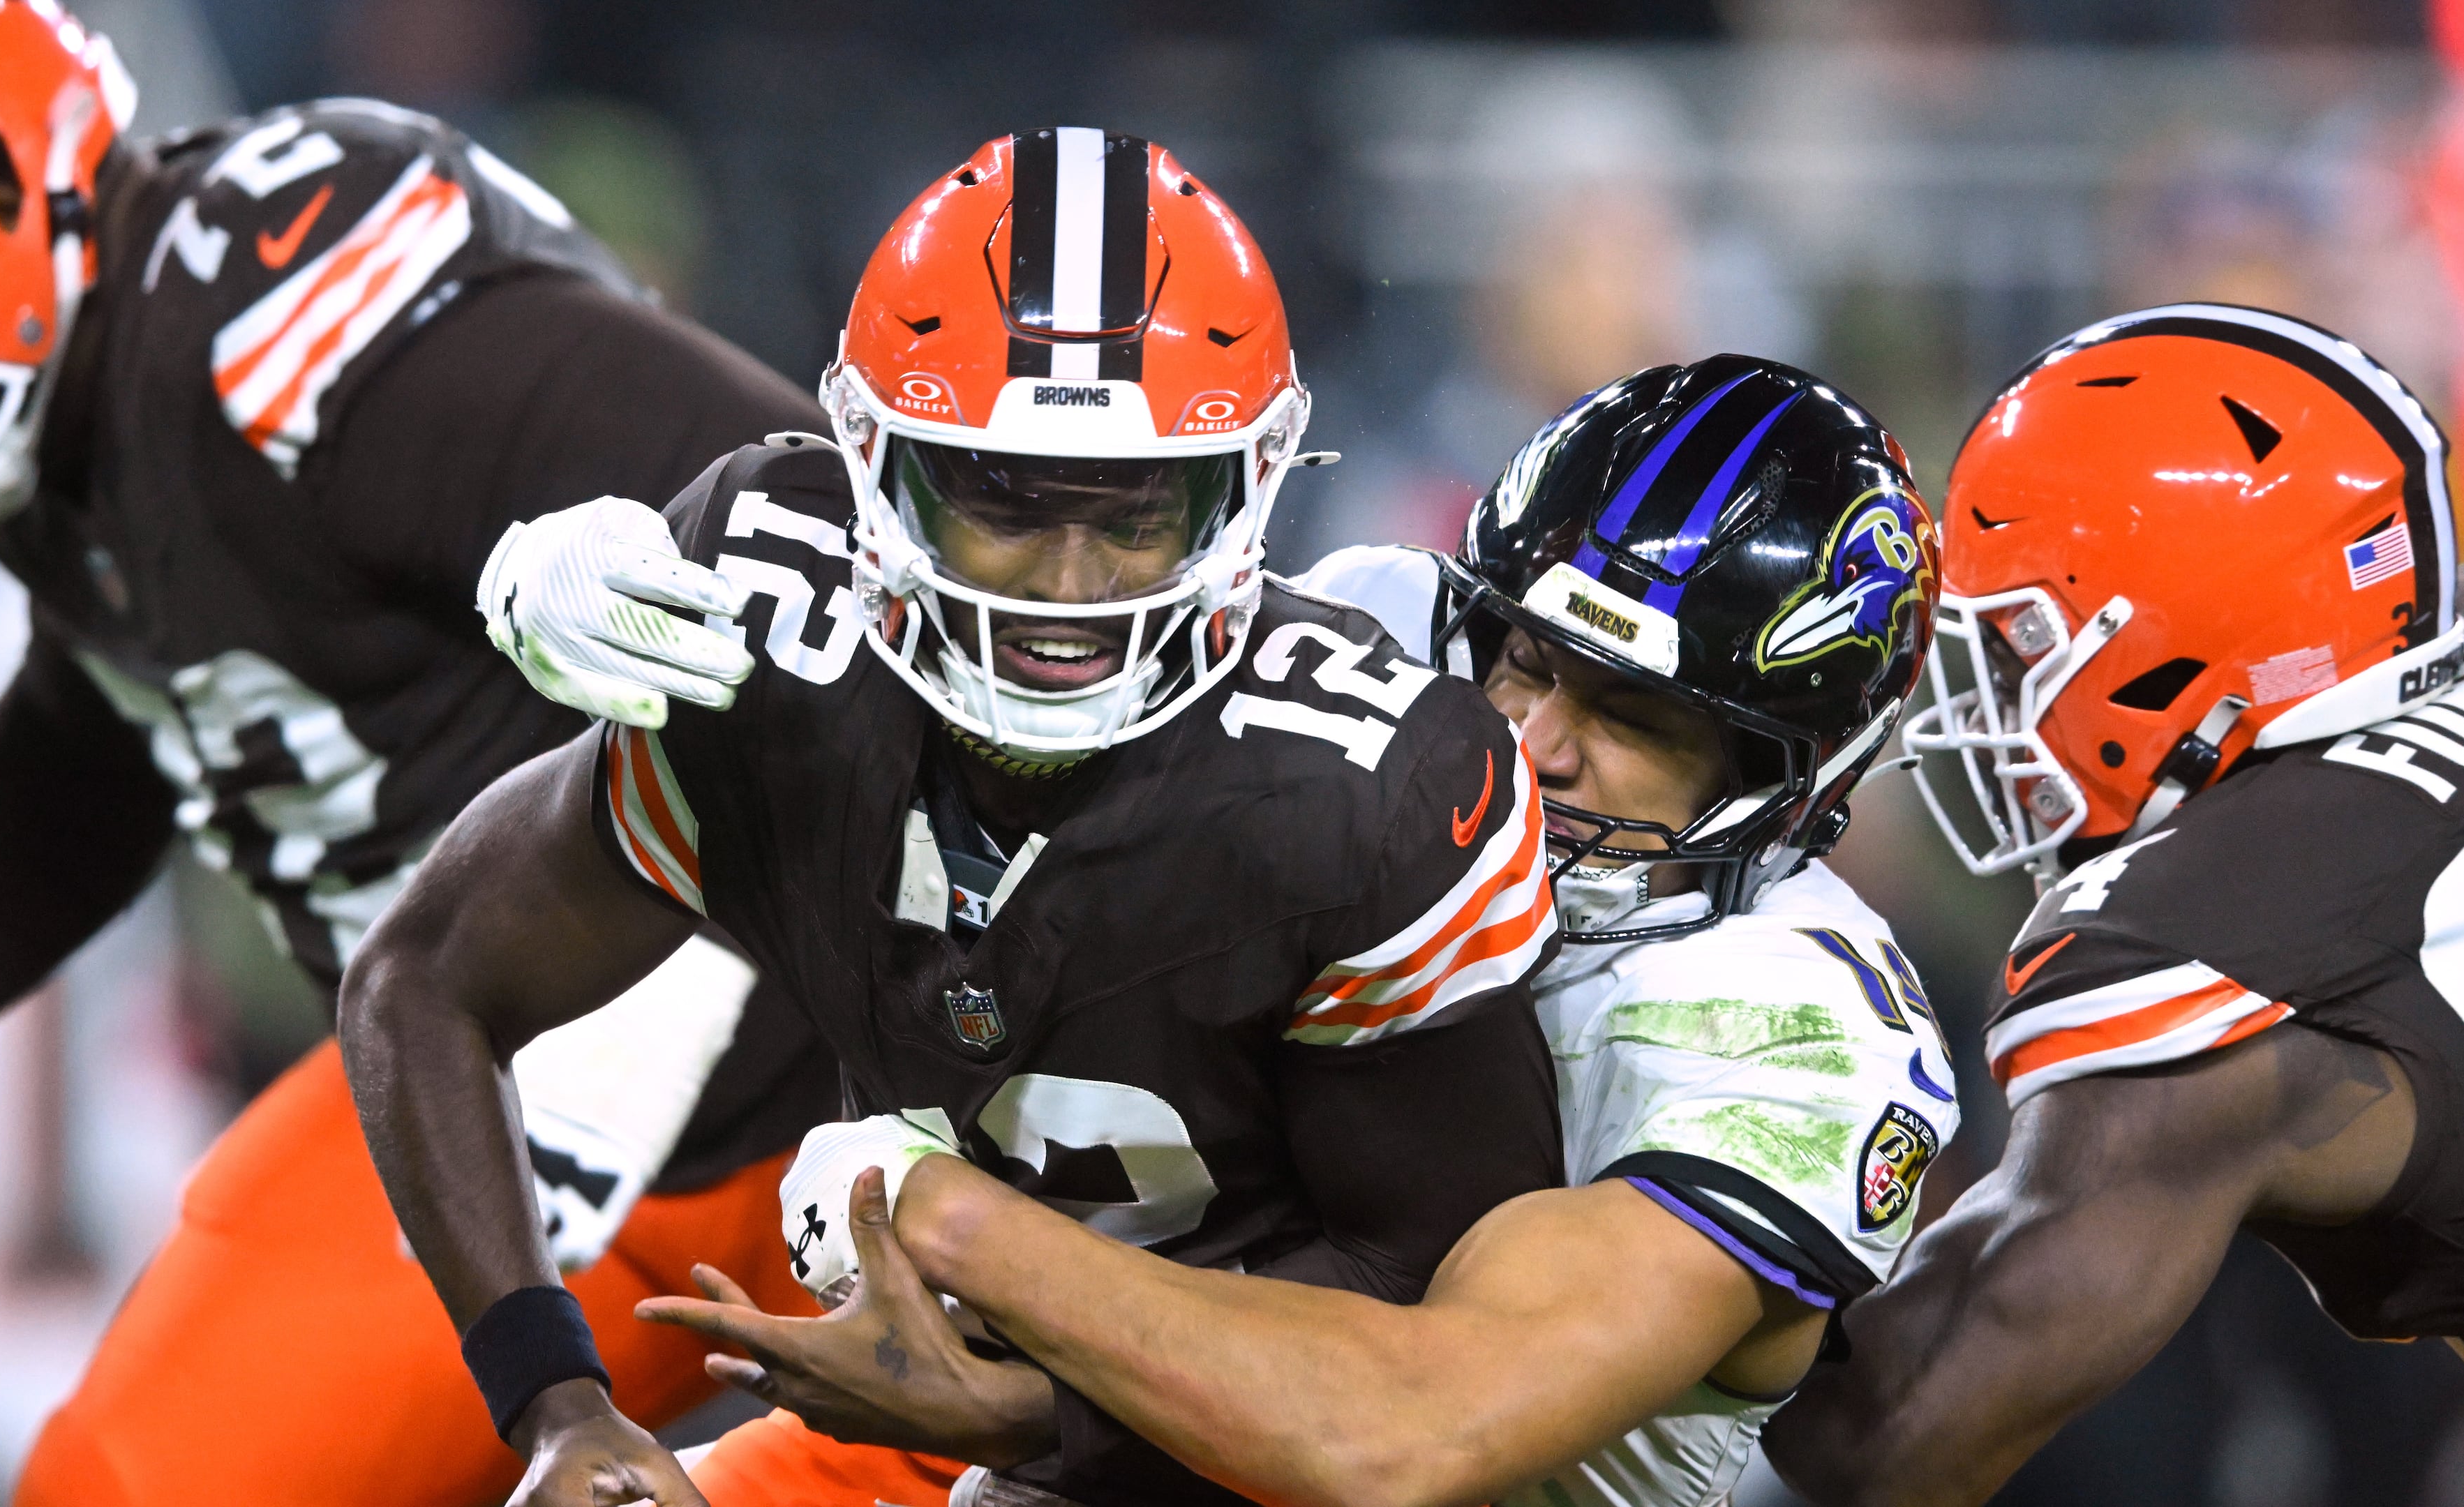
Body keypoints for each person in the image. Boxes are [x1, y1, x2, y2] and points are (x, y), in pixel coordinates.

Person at [337, 126, 1569, 1507]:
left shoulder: (1362, 791)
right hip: (937, 1415)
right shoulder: (776, 642)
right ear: (874, 466)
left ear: (1246, 487)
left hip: (1262, 1459)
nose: (1067, 587)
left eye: (1137, 511)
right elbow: (423, 982)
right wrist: (557, 1405)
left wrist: (1028, 1417)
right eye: (1001, 501)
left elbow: (1437, 1377)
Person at [491, 356, 1963, 1507]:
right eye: (1527, 660)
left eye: (1633, 718)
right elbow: (1035, 594)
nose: (1535, 741)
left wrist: (962, 1236)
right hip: (1045, 1420)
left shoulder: (1792, 1038)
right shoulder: (1384, 650)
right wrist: (680, 559)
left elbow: (1412, 1431)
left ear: (1795, 776)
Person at [0, 6, 840, 1504]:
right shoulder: (90, 399)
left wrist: (666, 930)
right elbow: (109, 722)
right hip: (498, 1098)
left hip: (783, 1062)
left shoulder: (284, 329)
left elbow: (813, 525)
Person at [1757, 302, 2464, 1504]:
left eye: (2014, 654)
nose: (1990, 708)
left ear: (2178, 639)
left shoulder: (2202, 935)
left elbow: (1883, 1440)